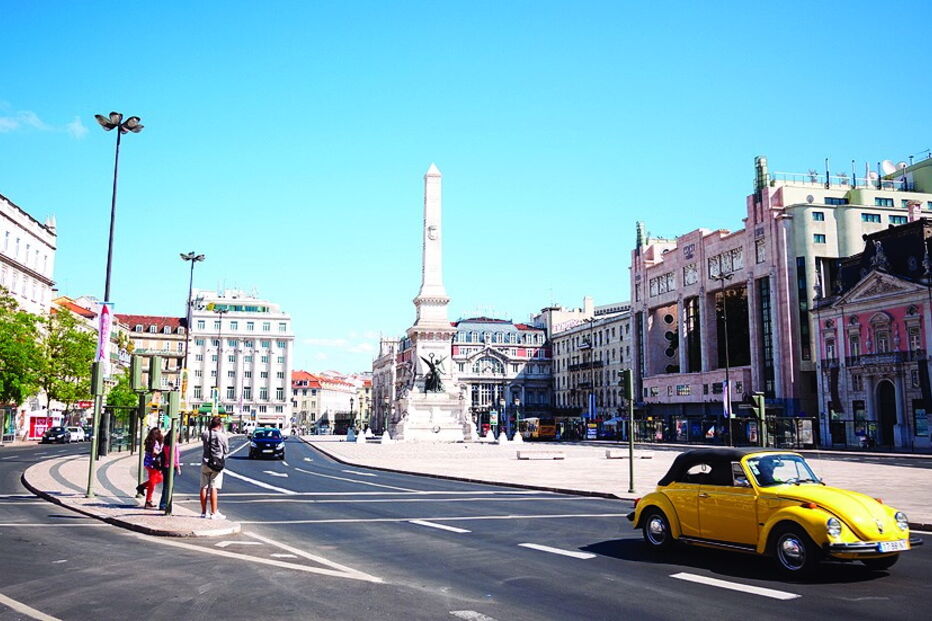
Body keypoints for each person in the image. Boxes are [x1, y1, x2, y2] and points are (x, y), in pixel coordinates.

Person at [200, 416, 229, 520]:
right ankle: (214, 512)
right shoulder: (223, 436)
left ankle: (203, 512)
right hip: (217, 464)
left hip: (205, 462)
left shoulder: (205, 434)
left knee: (204, 487)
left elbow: (203, 439)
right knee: (214, 487)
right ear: (220, 425)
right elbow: (226, 451)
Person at [137, 428, 164, 509]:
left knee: (157, 479)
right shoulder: (154, 442)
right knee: (154, 481)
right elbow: (154, 453)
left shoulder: (150, 441)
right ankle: (148, 500)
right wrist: (161, 454)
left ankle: (142, 487)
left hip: (148, 463)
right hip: (153, 464)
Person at [158, 427, 182, 511]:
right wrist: (178, 467)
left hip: (165, 466)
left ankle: (162, 503)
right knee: (169, 486)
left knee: (165, 486)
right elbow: (176, 458)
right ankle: (166, 504)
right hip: (171, 467)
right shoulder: (175, 444)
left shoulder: (166, 444)